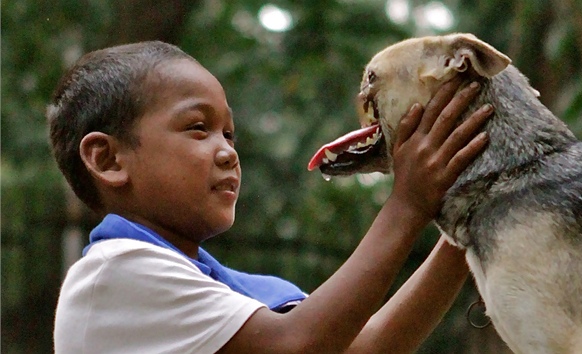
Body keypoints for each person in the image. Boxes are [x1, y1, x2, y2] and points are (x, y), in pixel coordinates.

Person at [49, 41, 492, 354]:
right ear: (108, 160)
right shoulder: (114, 274)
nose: (227, 152)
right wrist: (408, 203)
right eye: (197, 128)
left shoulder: (218, 288)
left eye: (229, 134)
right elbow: (297, 346)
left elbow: (366, 347)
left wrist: (465, 224)